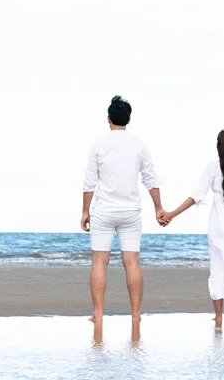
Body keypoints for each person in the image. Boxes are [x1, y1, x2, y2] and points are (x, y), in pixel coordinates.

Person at [81, 95, 167, 324]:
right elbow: (151, 179)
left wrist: (85, 211)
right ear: (129, 119)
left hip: (104, 210)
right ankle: (136, 315)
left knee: (99, 262)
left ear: (108, 119)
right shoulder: (140, 145)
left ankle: (98, 314)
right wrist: (158, 207)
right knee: (132, 262)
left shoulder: (99, 144)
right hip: (130, 212)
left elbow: (90, 181)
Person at [160, 128, 224, 329]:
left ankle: (219, 316)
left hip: (218, 227)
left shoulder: (213, 167)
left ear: (220, 148)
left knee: (218, 269)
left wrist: (171, 214)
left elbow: (197, 195)